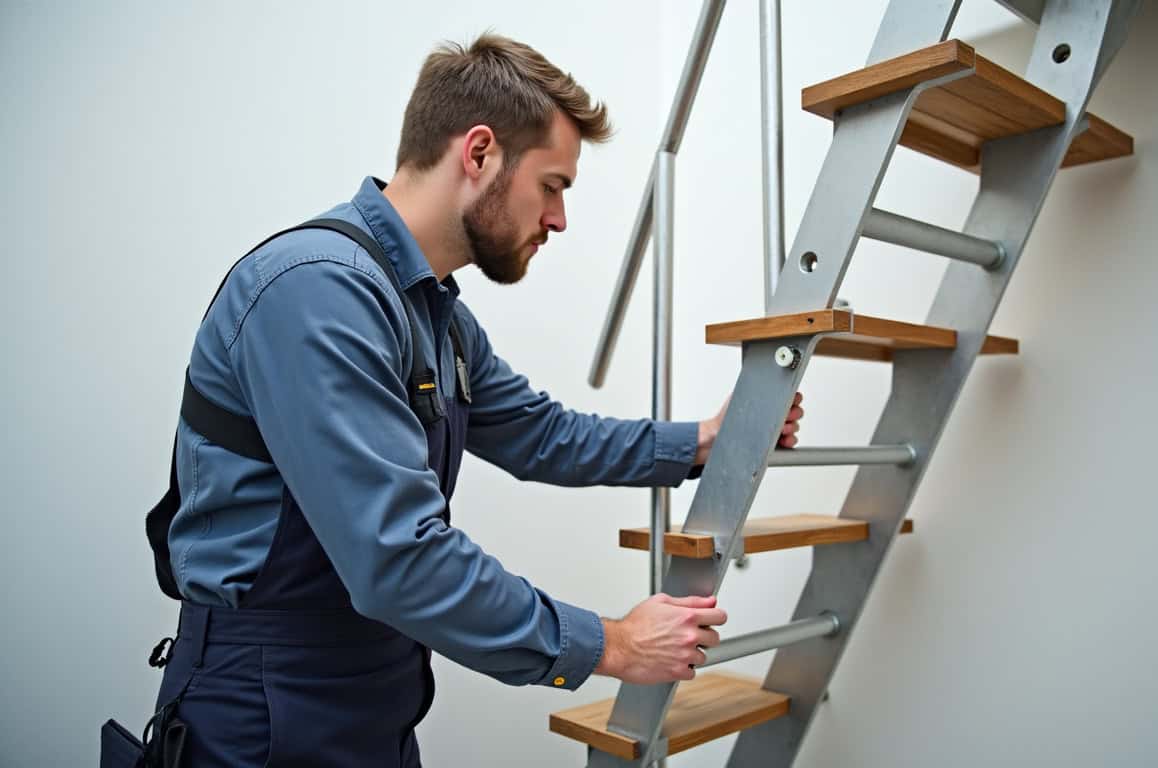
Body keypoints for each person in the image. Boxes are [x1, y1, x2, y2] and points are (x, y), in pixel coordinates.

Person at [132, 33, 805, 766]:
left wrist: (701, 442)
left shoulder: (435, 317)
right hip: (264, 706)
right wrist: (612, 644)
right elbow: (400, 559)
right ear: (479, 153)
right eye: (552, 185)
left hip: (372, 693)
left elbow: (542, 434)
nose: (559, 219)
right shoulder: (316, 292)